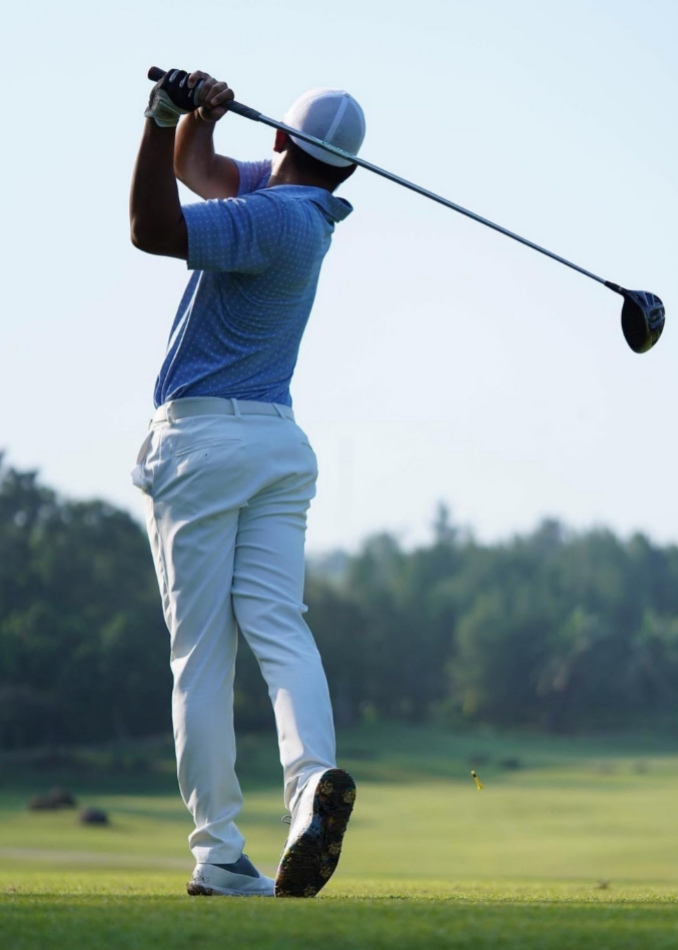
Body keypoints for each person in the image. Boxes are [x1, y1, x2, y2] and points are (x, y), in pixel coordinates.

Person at [129, 68, 364, 898]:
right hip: (275, 444)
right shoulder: (310, 213)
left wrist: (158, 119)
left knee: (201, 654)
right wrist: (197, 121)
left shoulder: (267, 217)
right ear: (346, 170)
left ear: (280, 141)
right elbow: (203, 174)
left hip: (201, 442)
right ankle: (310, 787)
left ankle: (219, 853)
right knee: (279, 627)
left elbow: (151, 226)